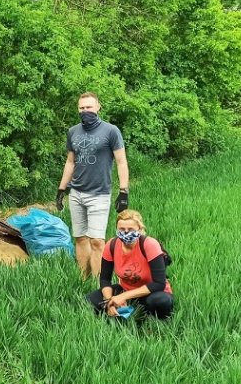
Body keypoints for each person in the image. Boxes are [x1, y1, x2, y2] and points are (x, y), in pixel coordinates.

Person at [56, 92, 129, 279]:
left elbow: (121, 162)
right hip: (76, 193)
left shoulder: (111, 131)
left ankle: (100, 283)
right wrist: (62, 189)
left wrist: (123, 191)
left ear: (98, 107)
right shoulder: (73, 132)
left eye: (89, 107)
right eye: (81, 108)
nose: (85, 111)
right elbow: (70, 162)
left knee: (97, 241)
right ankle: (83, 279)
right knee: (80, 238)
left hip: (99, 194)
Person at [86, 210, 174, 321]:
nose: (126, 232)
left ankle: (151, 319)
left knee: (161, 301)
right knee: (90, 301)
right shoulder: (111, 245)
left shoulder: (149, 244)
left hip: (151, 292)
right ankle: (121, 312)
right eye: (122, 229)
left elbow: (159, 283)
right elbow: (105, 279)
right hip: (125, 290)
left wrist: (123, 296)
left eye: (131, 229)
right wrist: (110, 301)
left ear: (140, 229)